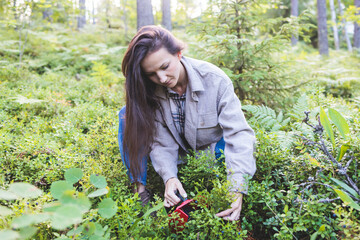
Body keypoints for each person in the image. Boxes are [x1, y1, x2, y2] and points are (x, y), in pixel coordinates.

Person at [118, 25, 256, 221]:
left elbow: (238, 134)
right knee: (127, 114)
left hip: (211, 150)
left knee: (234, 149)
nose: (162, 78)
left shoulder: (215, 81)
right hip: (177, 155)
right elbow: (161, 141)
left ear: (179, 53)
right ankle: (139, 191)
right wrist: (169, 177)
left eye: (165, 67)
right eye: (151, 73)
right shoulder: (150, 91)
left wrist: (237, 188)